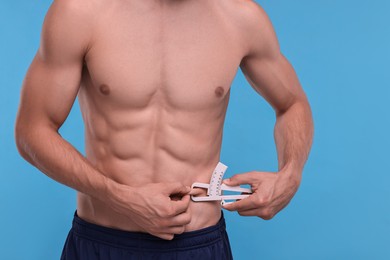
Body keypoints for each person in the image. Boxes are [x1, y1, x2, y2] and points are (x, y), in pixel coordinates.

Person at [15, 0, 314, 259]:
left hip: (199, 245)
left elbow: (292, 104)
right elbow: (33, 131)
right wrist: (119, 197)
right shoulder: (81, 12)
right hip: (104, 241)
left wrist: (290, 174)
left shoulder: (239, 17)